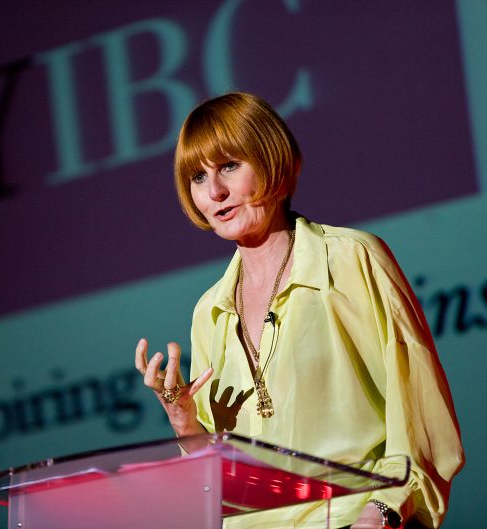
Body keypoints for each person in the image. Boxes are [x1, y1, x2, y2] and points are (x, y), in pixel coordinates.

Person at [134, 92, 463, 529]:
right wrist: (187, 428)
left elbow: (421, 414)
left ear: (272, 161)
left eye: (229, 166)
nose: (213, 192)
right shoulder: (209, 312)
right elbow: (222, 486)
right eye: (197, 176)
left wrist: (384, 509)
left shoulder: (351, 260)